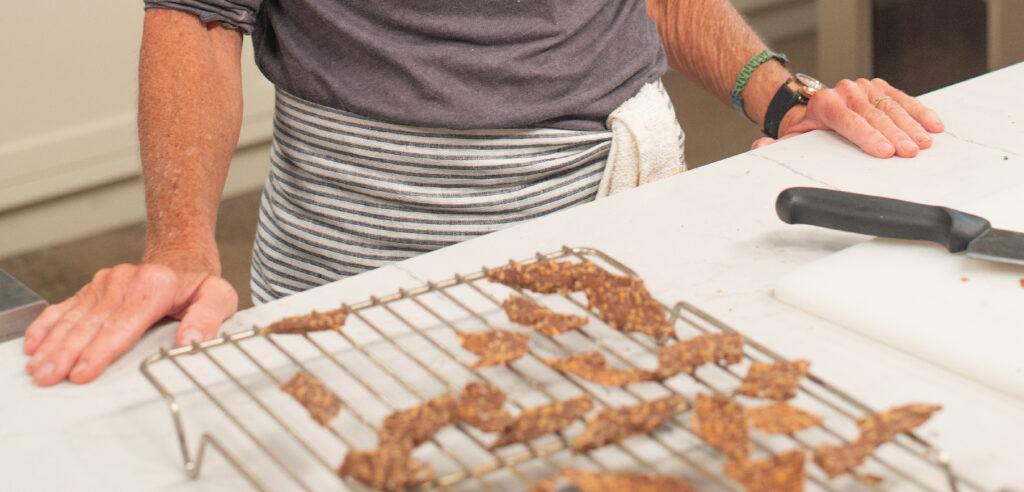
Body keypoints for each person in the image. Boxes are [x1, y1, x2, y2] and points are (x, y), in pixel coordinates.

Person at [23, 0, 943, 386]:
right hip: (361, 253)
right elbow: (198, 13)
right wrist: (181, 245)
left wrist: (778, 97)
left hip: (621, 230)